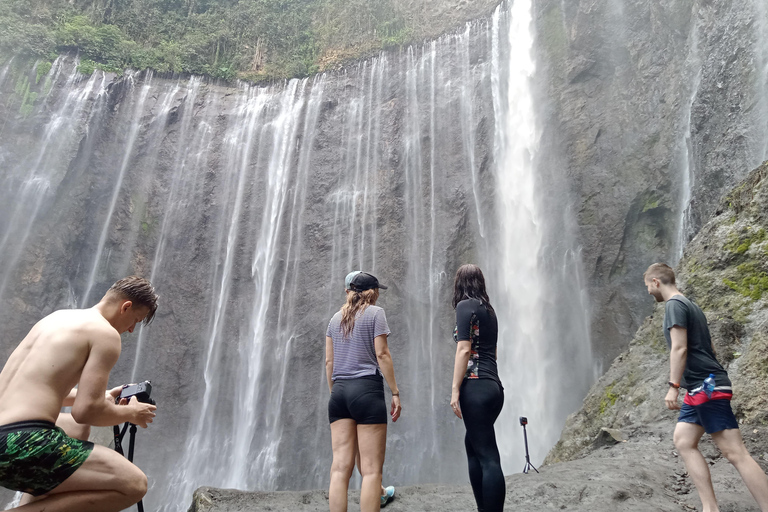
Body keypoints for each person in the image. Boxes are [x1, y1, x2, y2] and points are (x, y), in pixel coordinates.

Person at [0, 276, 159, 512]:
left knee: (75, 429)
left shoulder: (56, 319)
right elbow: (86, 411)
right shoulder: (106, 335)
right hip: (23, 443)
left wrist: (103, 396)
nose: (131, 329)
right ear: (125, 306)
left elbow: (49, 386)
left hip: (6, 437)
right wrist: (130, 413)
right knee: (134, 484)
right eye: (135, 320)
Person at [644, 263, 768, 512]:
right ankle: (710, 508)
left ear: (656, 281)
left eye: (647, 285)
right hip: (701, 386)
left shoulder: (674, 305)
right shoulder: (691, 305)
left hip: (706, 385)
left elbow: (679, 347)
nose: (648, 291)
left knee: (735, 452)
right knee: (683, 440)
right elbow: (710, 347)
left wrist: (673, 387)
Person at [326, 271, 401, 512]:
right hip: (367, 391)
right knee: (370, 471)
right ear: (373, 292)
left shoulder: (335, 319)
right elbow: (382, 354)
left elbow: (329, 363)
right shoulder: (375, 314)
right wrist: (395, 392)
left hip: (339, 393)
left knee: (340, 468)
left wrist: (335, 391)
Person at [450, 264, 505, 512]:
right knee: (473, 446)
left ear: (460, 284)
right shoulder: (489, 312)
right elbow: (492, 352)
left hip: (475, 387)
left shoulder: (465, 307)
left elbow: (463, 349)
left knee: (488, 457)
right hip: (493, 387)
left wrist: (454, 390)